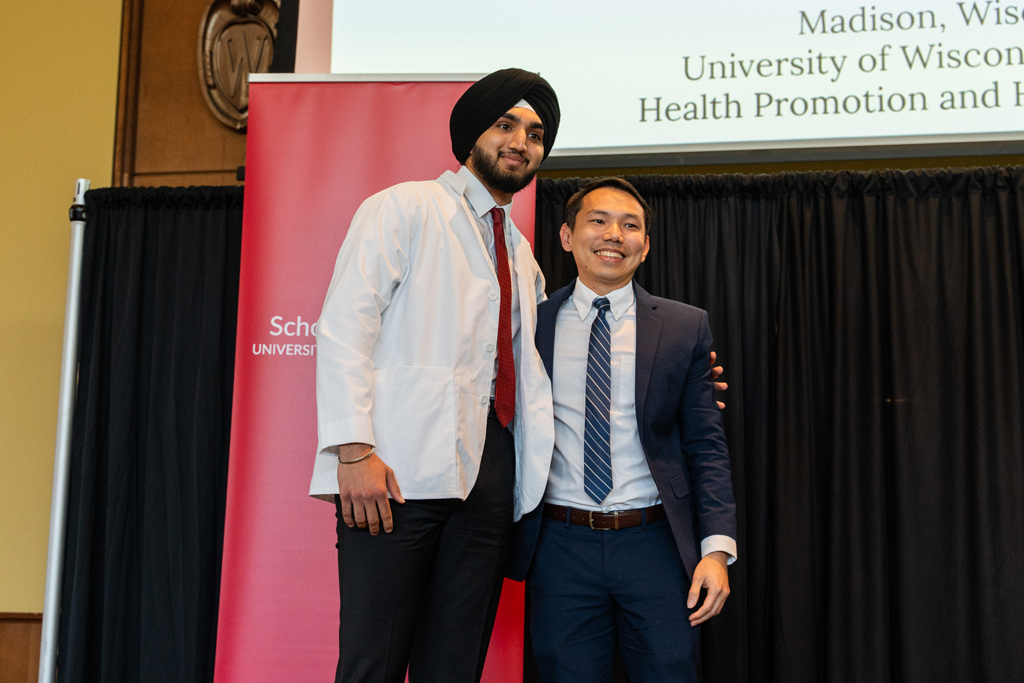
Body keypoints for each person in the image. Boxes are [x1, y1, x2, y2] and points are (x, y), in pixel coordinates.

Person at [311, 68, 561, 683]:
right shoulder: (404, 207)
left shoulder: (522, 253)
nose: (520, 142)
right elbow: (345, 327)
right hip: (394, 474)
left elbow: (529, 369)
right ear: (472, 131)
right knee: (373, 660)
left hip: (491, 480)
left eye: (535, 133)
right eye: (506, 124)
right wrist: (354, 451)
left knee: (454, 666)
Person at [506, 177, 738, 683]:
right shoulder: (530, 325)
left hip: (654, 544)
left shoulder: (683, 327)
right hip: (559, 546)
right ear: (567, 237)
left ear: (646, 245)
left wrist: (716, 551)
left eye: (630, 225)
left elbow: (706, 445)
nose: (615, 234)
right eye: (599, 221)